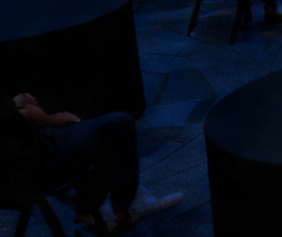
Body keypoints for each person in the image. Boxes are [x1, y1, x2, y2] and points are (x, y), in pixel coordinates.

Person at [1, 91, 181, 229]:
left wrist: (16, 106)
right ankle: (124, 210)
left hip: (21, 158)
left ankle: (89, 207)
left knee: (91, 126)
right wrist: (43, 117)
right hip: (24, 171)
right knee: (119, 124)